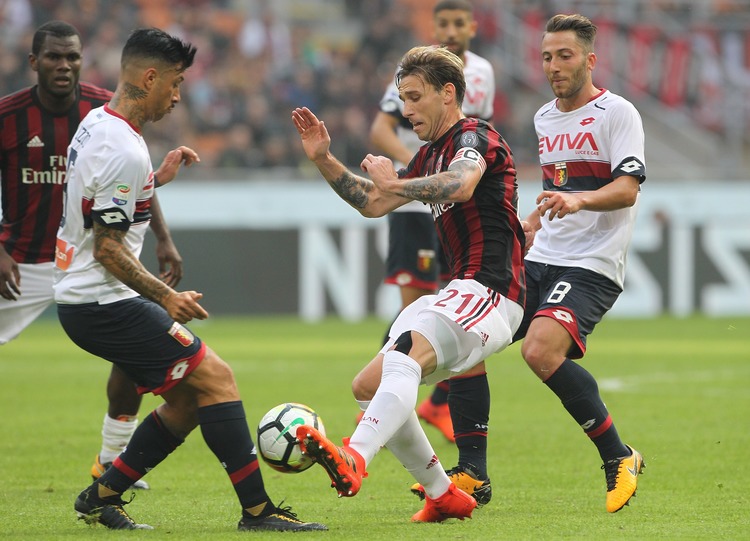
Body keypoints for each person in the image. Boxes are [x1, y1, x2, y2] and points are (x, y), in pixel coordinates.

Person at [55, 27, 325, 532]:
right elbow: (108, 248)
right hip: (101, 302)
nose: (178, 95)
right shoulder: (122, 148)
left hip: (89, 299)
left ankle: (100, 495)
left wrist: (154, 179)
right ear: (149, 77)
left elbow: (100, 198)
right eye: (175, 82)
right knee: (217, 379)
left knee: (186, 401)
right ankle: (258, 512)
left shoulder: (98, 124)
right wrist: (166, 296)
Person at [413, 13, 647, 514]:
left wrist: (580, 201)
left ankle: (619, 456)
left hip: (592, 263)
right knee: (466, 337)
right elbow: (557, 185)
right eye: (546, 57)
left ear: (590, 59)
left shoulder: (617, 112)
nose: (553, 66)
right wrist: (534, 221)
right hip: (540, 255)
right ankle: (472, 473)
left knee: (540, 350)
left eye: (564, 56)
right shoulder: (544, 117)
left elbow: (627, 188)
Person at [291, 44, 525, 523]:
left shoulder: (474, 137)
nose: (406, 109)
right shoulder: (429, 153)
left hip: (493, 291)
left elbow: (461, 183)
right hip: (461, 290)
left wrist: (394, 184)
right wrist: (324, 159)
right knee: (367, 385)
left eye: (415, 97)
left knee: (408, 353)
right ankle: (442, 494)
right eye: (402, 99)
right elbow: (373, 202)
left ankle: (355, 457)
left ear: (448, 93)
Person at [0, 20, 185, 491]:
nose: (64, 65)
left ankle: (111, 457)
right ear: (34, 62)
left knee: (134, 346)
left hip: (88, 259)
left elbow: (131, 180)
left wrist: (163, 237)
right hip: (20, 260)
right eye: (54, 57)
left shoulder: (104, 108)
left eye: (72, 57)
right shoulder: (8, 116)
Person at [369, 1, 495, 462]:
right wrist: (414, 175)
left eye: (459, 23)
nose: (451, 30)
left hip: (454, 198)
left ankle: (432, 403)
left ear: (472, 27)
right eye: (443, 23)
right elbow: (381, 129)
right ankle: (389, 395)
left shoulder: (483, 73)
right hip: (415, 199)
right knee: (418, 306)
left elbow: (479, 134)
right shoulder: (415, 72)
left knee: (458, 304)